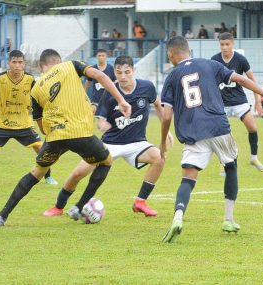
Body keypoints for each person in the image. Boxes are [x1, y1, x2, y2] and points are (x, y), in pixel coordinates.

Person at [159, 36, 263, 243]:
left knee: (188, 178)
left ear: (171, 54)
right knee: (230, 167)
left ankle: (178, 217)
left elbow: (166, 115)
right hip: (218, 127)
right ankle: (228, 218)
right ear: (188, 50)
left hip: (193, 132)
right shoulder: (211, 64)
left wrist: (163, 141)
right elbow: (242, 79)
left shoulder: (172, 76)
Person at [0, 49, 131, 226]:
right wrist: (121, 100)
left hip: (55, 137)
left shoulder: (35, 89)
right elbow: (99, 76)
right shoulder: (70, 65)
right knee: (106, 161)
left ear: (42, 68)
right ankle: (78, 207)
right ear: (58, 61)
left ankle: (1, 216)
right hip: (80, 133)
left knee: (36, 173)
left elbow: (40, 125)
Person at [43, 55, 170, 217]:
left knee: (159, 158)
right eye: (119, 72)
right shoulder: (110, 93)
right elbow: (101, 120)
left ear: (134, 71)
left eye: (127, 72)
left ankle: (140, 202)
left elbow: (158, 105)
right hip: (110, 143)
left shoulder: (147, 87)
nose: (123, 76)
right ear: (115, 73)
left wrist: (167, 132)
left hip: (137, 142)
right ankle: (58, 206)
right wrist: (103, 124)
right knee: (78, 173)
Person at [0, 50, 57, 186]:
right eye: (14, 62)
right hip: (2, 123)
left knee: (41, 149)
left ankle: (48, 177)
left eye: (20, 62)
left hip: (24, 123)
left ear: (24, 64)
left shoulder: (30, 80)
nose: (17, 65)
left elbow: (40, 96)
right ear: (9, 63)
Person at [211, 32, 263, 171]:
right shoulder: (214, 60)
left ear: (232, 44)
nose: (224, 47)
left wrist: (258, 101)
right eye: (222, 44)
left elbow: (252, 81)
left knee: (252, 128)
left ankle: (254, 158)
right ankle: (224, 164)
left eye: (227, 44)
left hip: (239, 100)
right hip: (221, 103)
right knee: (222, 134)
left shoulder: (241, 60)